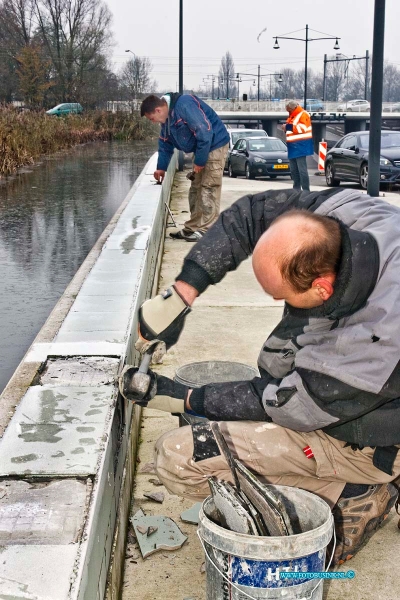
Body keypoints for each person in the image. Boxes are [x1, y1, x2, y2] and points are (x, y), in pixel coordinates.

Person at [129, 185, 400, 566]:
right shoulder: (352, 213)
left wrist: (185, 398)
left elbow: (284, 403)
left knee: (176, 458)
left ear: (322, 285)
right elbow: (250, 214)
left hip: (365, 442)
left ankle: (355, 492)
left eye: (283, 294)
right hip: (361, 397)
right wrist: (182, 293)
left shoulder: (373, 345)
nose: (277, 302)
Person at [141, 93, 229, 241]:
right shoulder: (167, 120)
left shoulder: (184, 105)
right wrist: (161, 167)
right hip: (201, 148)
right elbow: (164, 143)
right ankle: (192, 227)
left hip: (215, 145)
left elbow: (204, 132)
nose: (153, 122)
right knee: (195, 188)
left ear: (158, 110)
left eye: (152, 119)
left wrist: (200, 161)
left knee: (209, 187)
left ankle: (207, 230)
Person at [282, 100, 313, 192]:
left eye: (289, 110)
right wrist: (286, 128)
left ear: (293, 108)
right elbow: (294, 129)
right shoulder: (293, 115)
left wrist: (287, 127)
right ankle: (296, 190)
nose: (288, 112)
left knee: (301, 170)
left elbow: (302, 128)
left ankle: (306, 190)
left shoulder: (303, 114)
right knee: (294, 170)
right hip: (293, 146)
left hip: (301, 145)